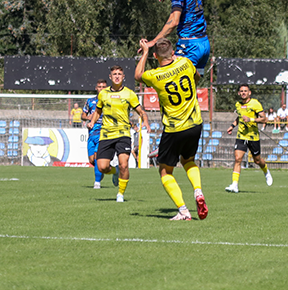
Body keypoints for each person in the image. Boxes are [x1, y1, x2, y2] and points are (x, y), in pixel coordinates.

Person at [136, 39, 208, 221]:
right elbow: (196, 78)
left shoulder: (155, 75)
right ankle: (198, 191)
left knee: (165, 171)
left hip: (174, 128)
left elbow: (138, 75)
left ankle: (183, 211)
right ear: (173, 52)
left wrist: (144, 52)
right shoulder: (186, 63)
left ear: (155, 56)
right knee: (189, 161)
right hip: (195, 124)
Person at [86, 66, 151, 203]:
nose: (117, 76)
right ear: (110, 77)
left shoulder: (129, 94)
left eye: (119, 74)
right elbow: (97, 111)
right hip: (106, 134)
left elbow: (141, 111)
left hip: (123, 134)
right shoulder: (103, 94)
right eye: (114, 74)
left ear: (123, 77)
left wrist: (145, 121)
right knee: (102, 167)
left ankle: (120, 194)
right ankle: (114, 172)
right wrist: (92, 121)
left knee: (124, 164)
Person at [143, 0, 210, 74]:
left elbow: (173, 22)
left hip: (189, 46)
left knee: (176, 84)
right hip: (204, 44)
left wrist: (154, 41)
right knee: (191, 86)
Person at [225, 84, 273, 192]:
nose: (243, 93)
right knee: (238, 158)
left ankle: (266, 171)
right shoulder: (238, 104)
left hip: (253, 137)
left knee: (257, 160)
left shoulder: (255, 103)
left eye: (245, 91)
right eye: (241, 91)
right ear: (238, 93)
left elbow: (264, 119)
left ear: (249, 93)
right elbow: (240, 117)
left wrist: (251, 119)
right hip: (241, 135)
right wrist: (232, 126)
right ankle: (234, 185)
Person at [82, 79, 109, 188]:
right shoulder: (90, 101)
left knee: (98, 156)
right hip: (91, 133)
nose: (101, 88)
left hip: (103, 131)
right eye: (99, 86)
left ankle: (97, 182)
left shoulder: (109, 101)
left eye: (103, 86)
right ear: (96, 88)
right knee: (92, 160)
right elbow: (83, 115)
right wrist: (88, 117)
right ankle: (108, 170)